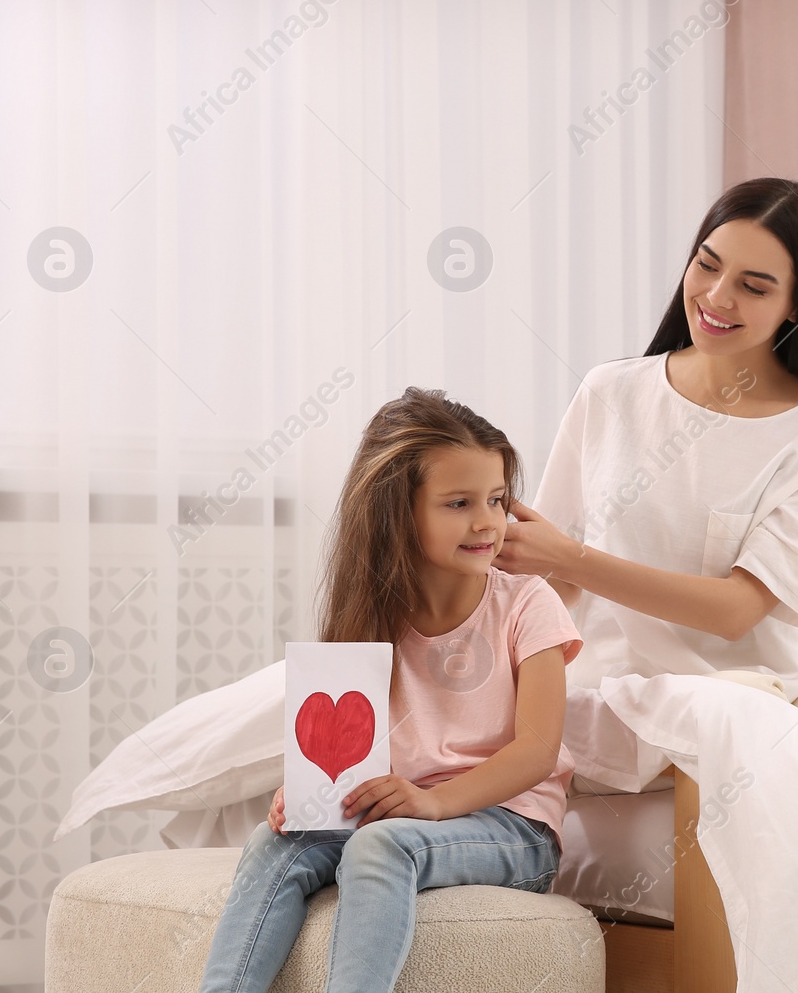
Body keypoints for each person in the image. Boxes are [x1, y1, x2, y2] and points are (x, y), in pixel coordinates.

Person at [497, 177, 798, 788]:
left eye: (753, 286)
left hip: (769, 691)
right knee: (728, 722)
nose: (716, 296)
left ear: (797, 303)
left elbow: (737, 613)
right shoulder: (611, 392)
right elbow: (548, 583)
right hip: (623, 694)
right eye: (707, 266)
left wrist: (573, 558)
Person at [198, 388, 583, 992]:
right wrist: (307, 796)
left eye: (497, 499)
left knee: (381, 846)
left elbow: (536, 753)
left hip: (511, 824)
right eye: (458, 503)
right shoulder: (368, 612)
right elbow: (342, 743)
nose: (487, 521)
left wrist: (433, 802)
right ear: (395, 513)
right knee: (274, 843)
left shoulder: (529, 603)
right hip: (396, 807)